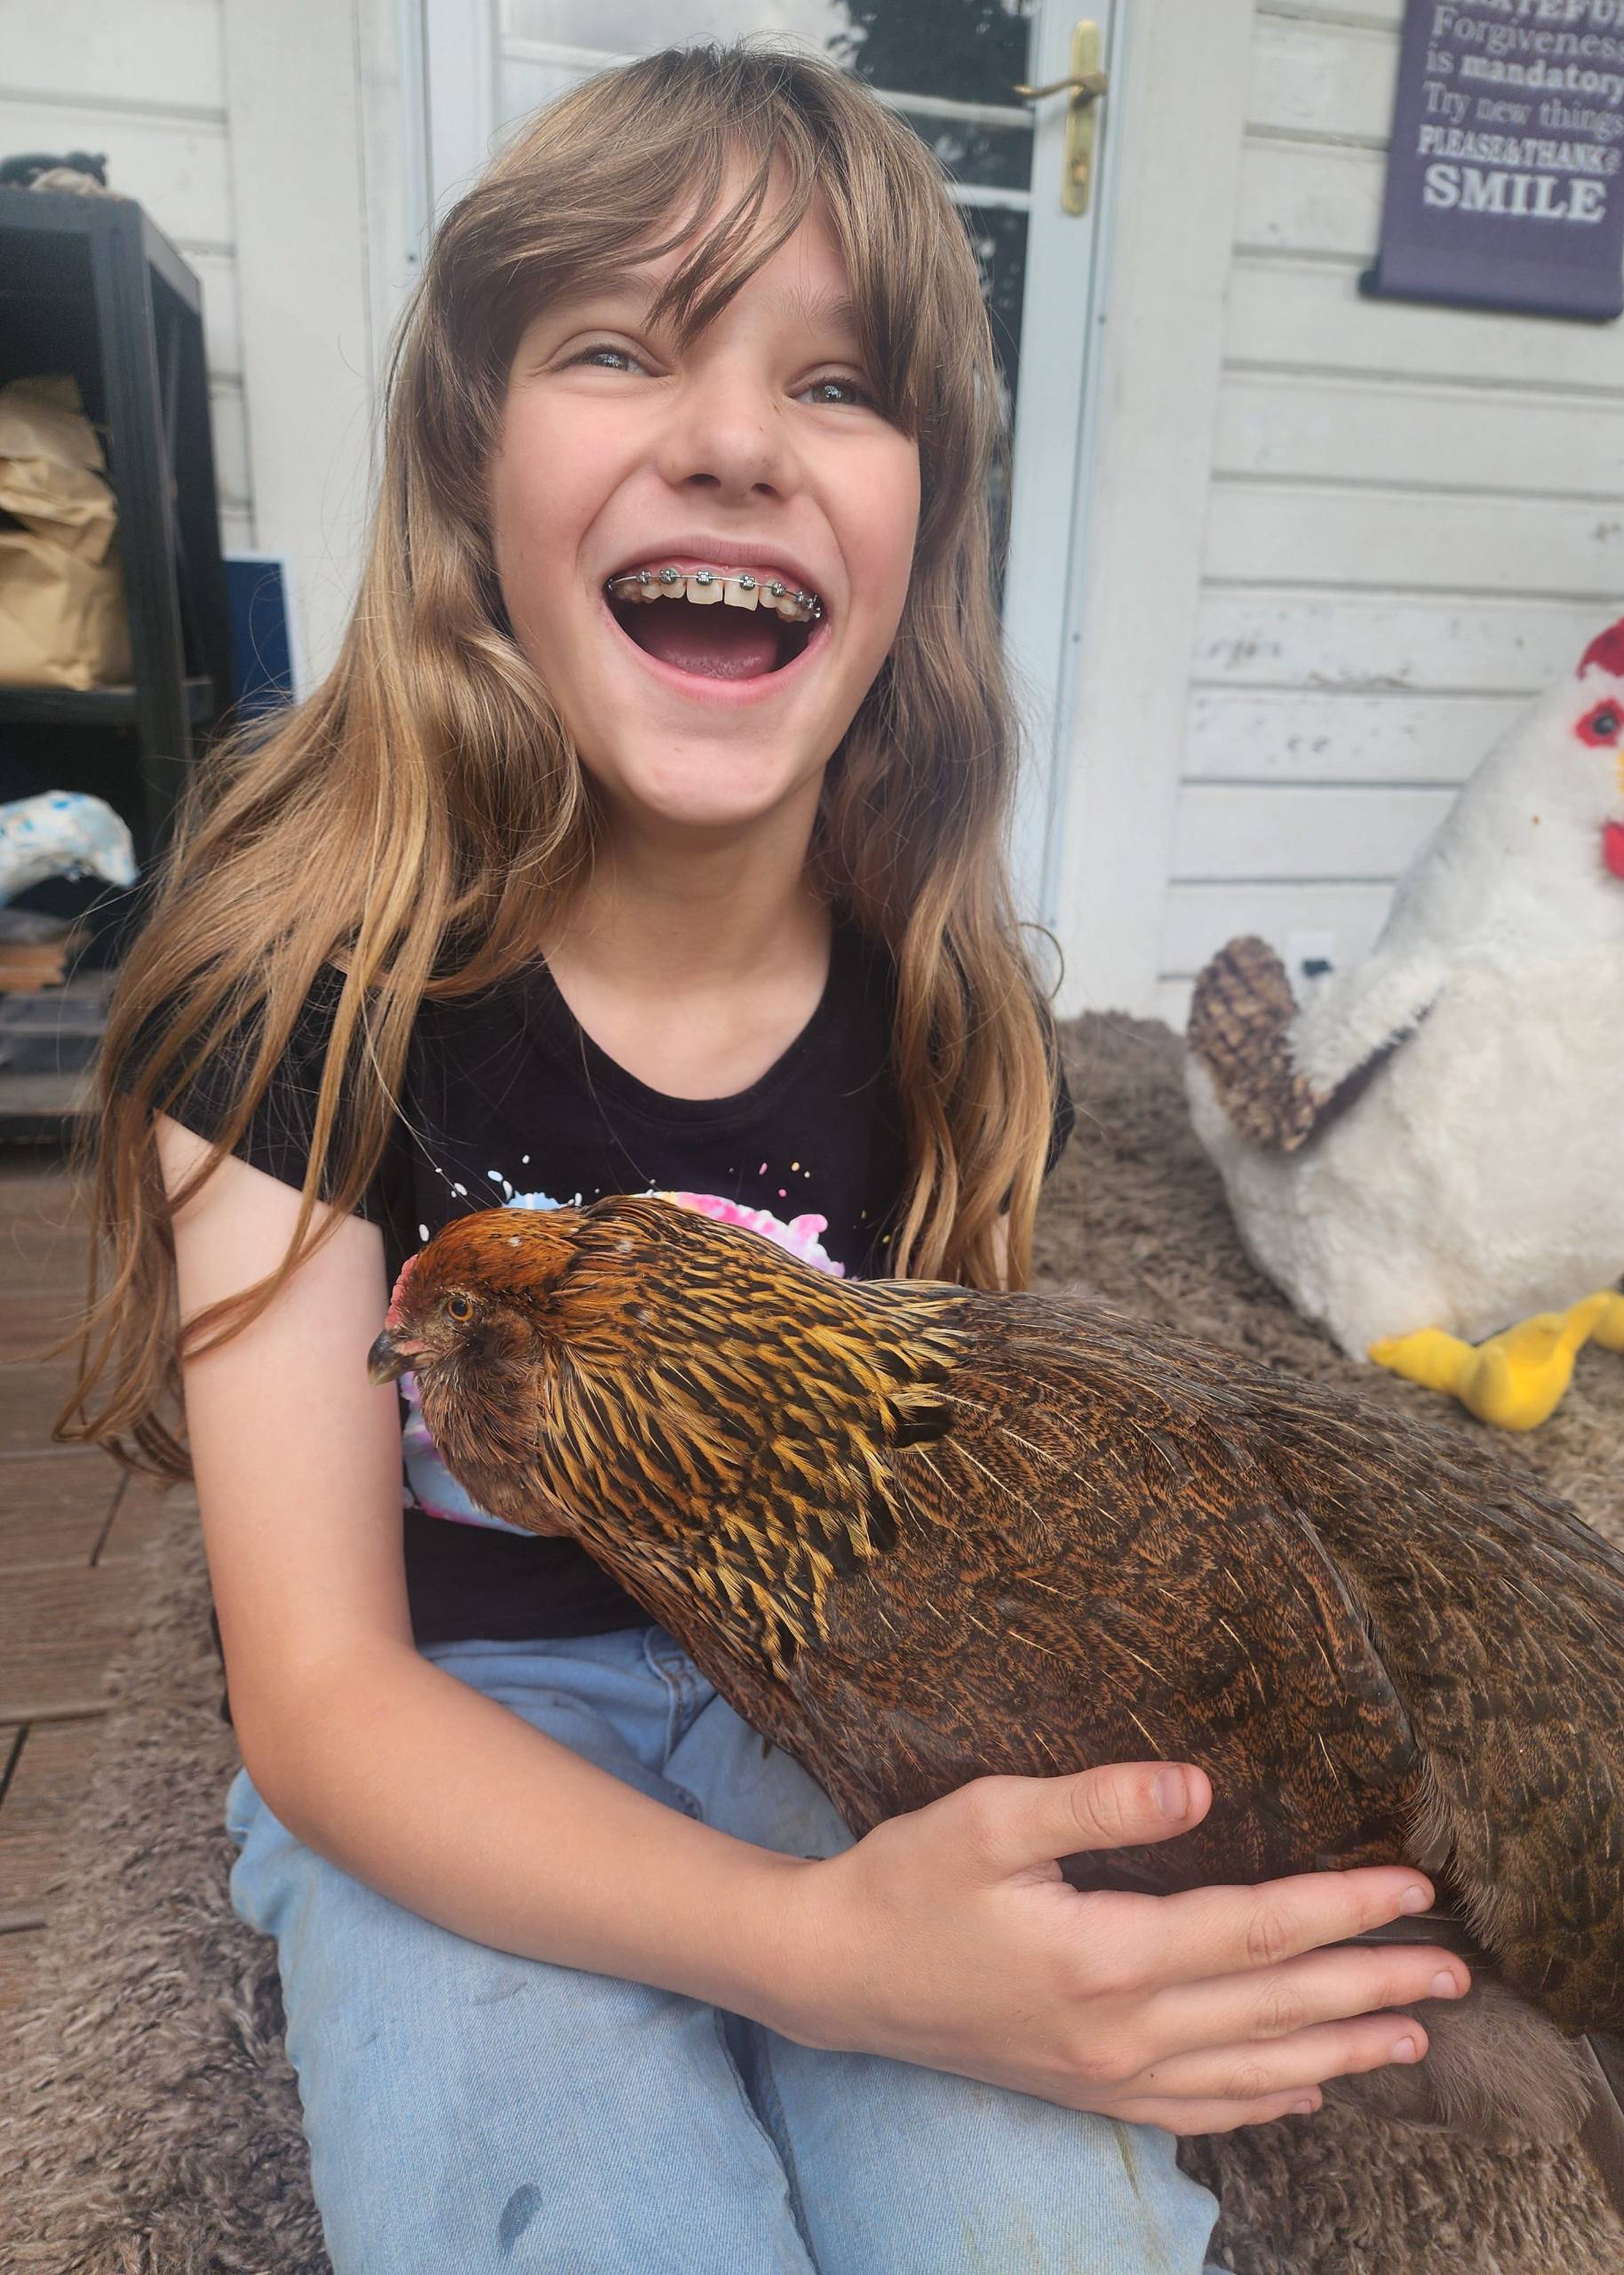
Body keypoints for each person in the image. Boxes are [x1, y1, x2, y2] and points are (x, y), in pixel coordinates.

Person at [63, 41, 1468, 2274]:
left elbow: (949, 1519)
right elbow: (322, 1695)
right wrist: (818, 1952)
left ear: (926, 526)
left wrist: (1007, 1905)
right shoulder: (290, 985)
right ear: (465, 469)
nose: (728, 436)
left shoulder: (952, 1009)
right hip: (452, 1717)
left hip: (825, 1685)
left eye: (838, 384)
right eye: (619, 348)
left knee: (1027, 2219)